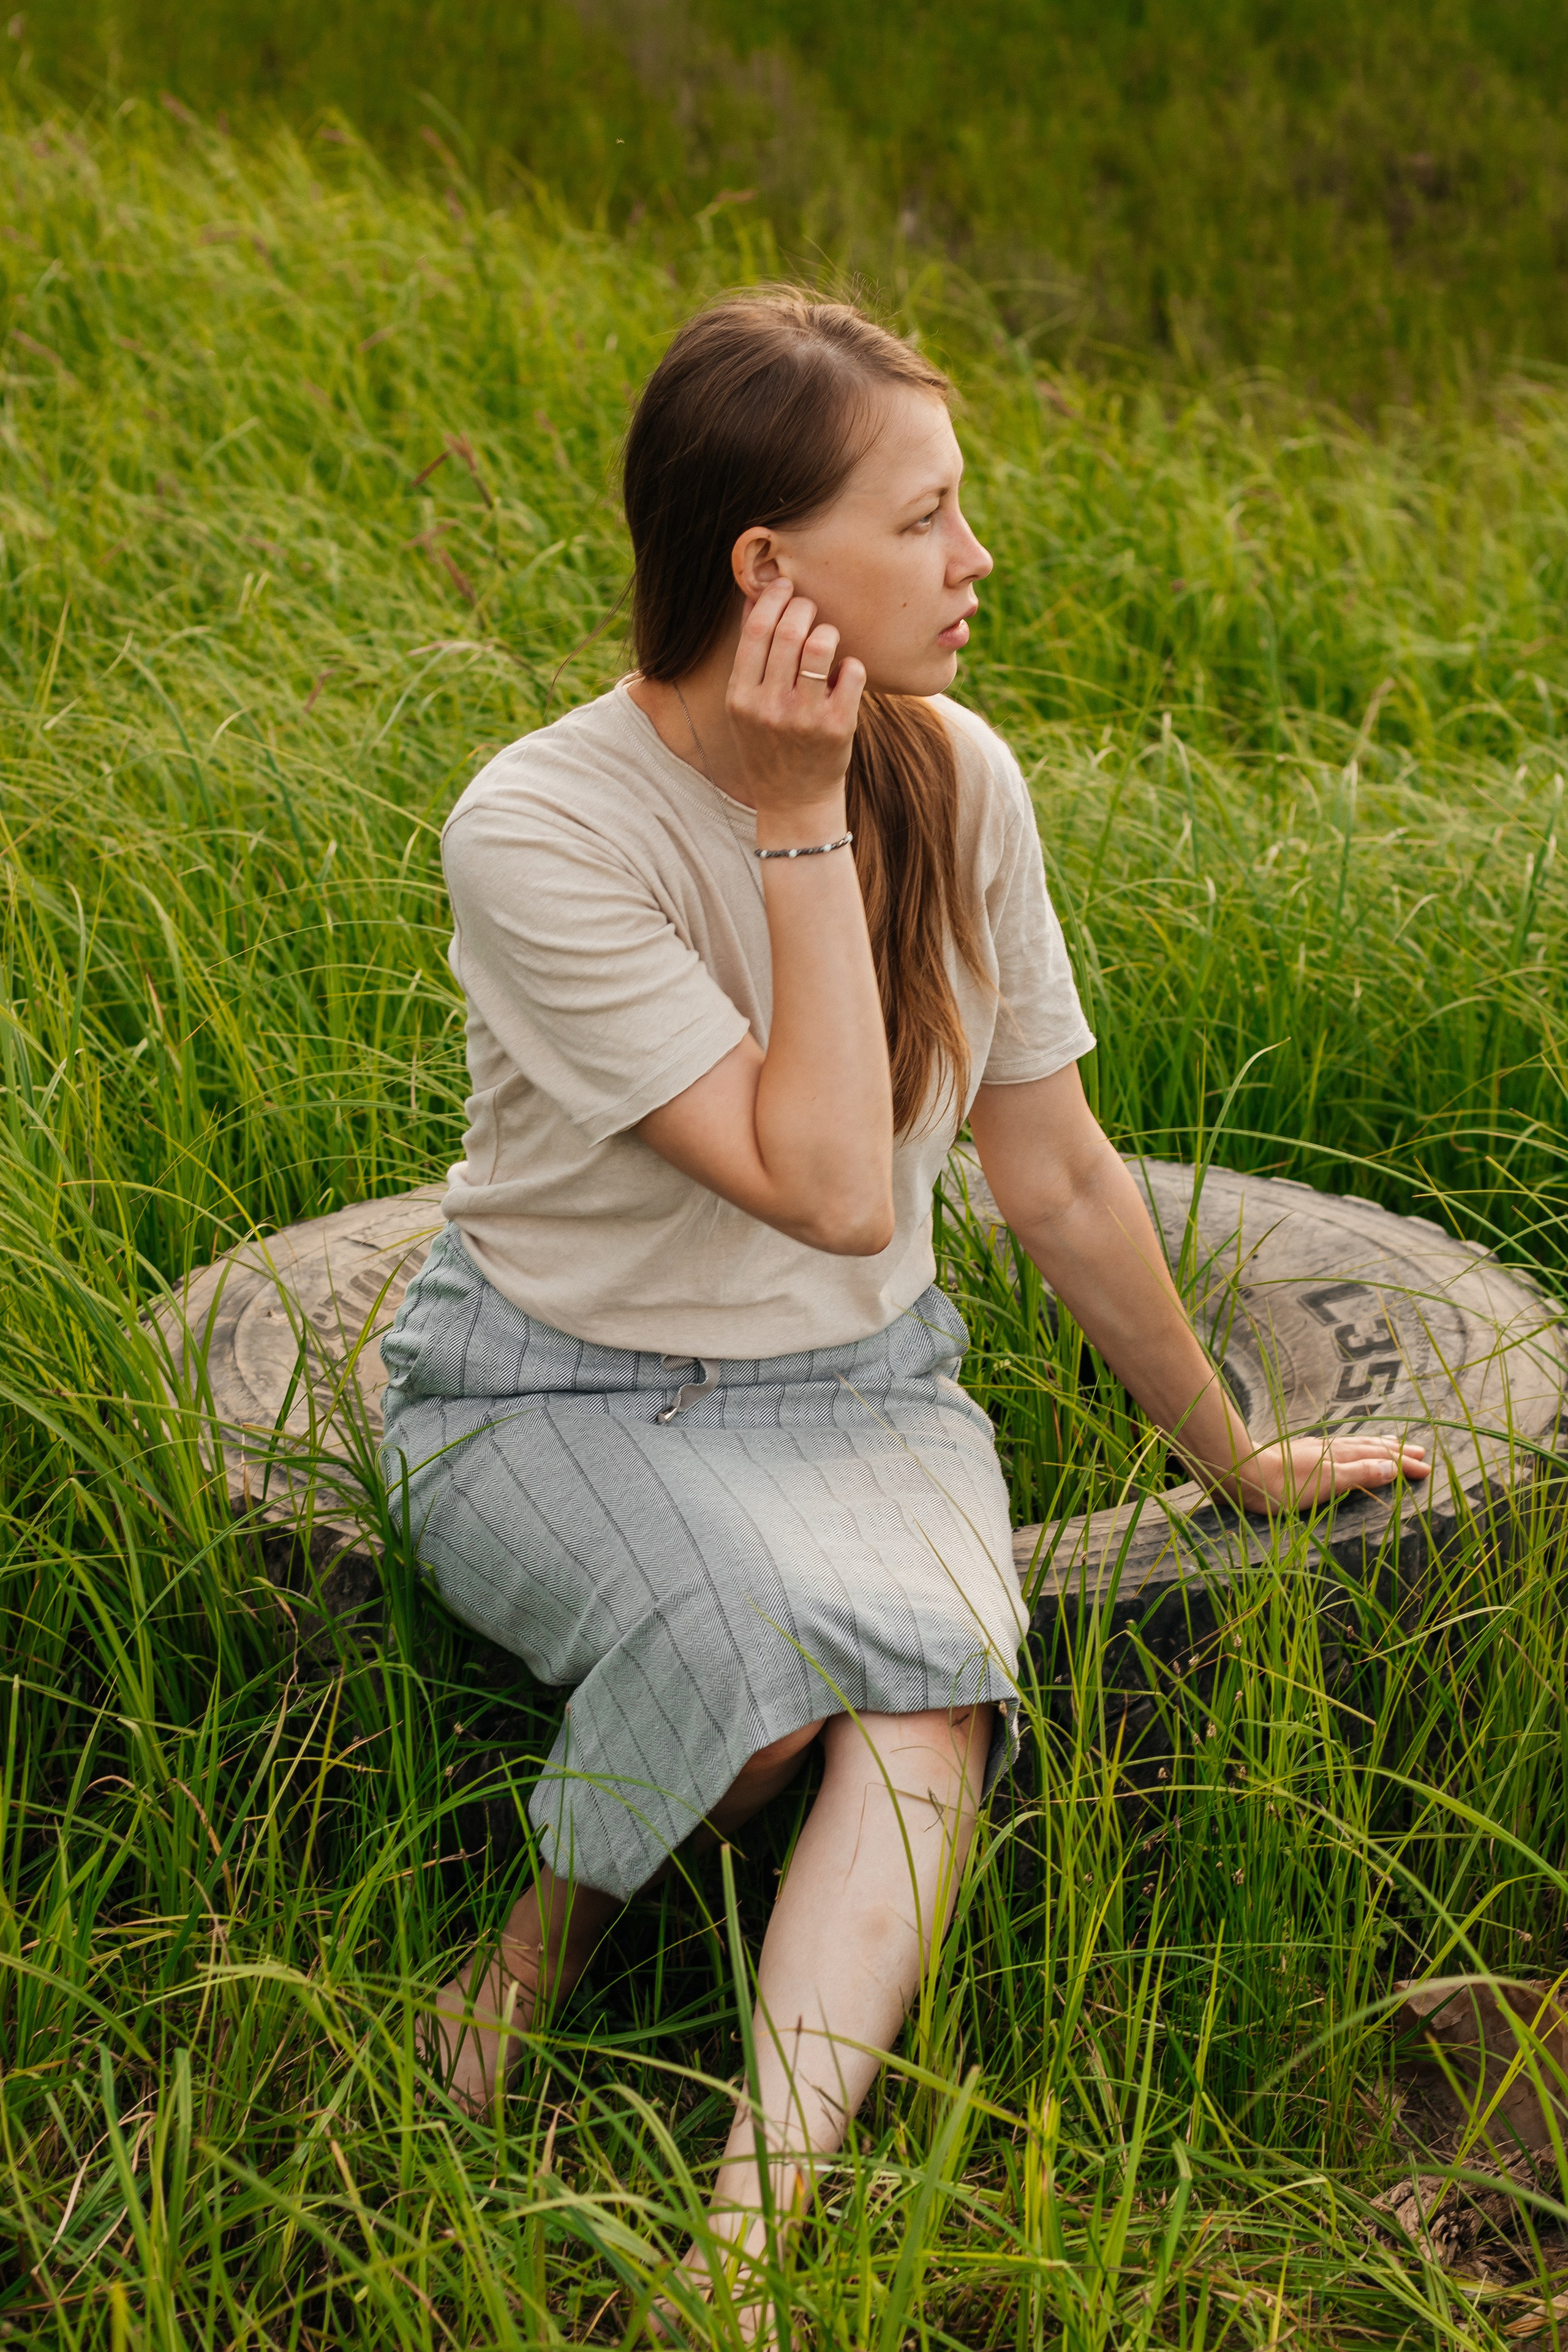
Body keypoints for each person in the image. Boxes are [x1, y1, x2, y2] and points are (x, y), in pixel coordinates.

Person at [378, 292, 1428, 2321]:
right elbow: (840, 1185)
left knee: (930, 1688)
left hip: (861, 1391)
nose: (979, 562)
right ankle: (538, 1946)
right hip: (551, 1390)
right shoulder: (538, 828)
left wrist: (1227, 1451)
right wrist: (794, 812)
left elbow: (1044, 1169)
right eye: (928, 518)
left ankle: (740, 2257)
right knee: (761, 1683)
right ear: (769, 570)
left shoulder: (959, 774)